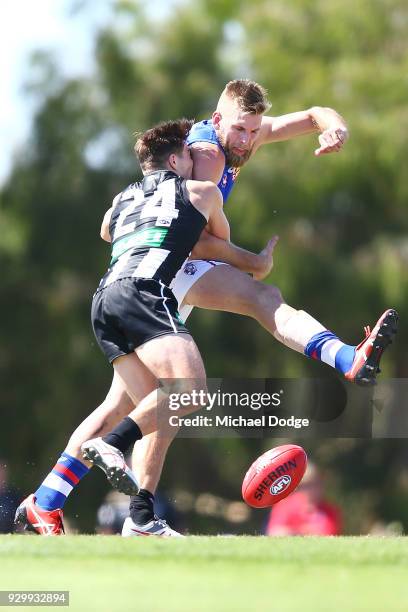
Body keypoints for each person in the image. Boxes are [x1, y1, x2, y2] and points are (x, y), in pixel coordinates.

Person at [16, 80, 398, 537]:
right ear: (218, 122)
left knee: (132, 403)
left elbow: (313, 112)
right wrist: (250, 260)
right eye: (241, 130)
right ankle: (346, 358)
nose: (248, 140)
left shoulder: (239, 138)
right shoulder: (210, 157)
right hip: (166, 270)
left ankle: (61, 502)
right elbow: (191, 235)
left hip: (133, 279)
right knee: (260, 303)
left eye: (254, 130)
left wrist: (334, 127)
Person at [15, 118, 229, 536]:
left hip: (104, 299)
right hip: (144, 292)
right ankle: (111, 445)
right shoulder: (201, 191)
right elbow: (217, 241)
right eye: (189, 154)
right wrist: (256, 262)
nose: (194, 162)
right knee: (191, 390)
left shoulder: (121, 197)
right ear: (175, 158)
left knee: (138, 408)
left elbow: (106, 229)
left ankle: (47, 502)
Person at [265, 463, 342, 536]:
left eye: (316, 483)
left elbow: (329, 534)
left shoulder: (329, 510)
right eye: (307, 485)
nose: (312, 489)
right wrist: (304, 531)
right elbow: (275, 532)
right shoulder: (285, 506)